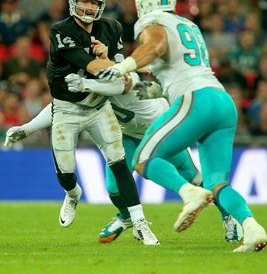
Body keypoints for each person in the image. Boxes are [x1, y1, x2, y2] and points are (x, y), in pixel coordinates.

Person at [97, 0, 267, 253]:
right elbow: (178, 70)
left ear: (144, 1)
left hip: (196, 100)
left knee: (143, 157)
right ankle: (250, 226)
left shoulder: (153, 23)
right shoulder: (188, 24)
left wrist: (122, 67)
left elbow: (155, 47)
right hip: (222, 101)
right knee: (217, 183)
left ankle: (189, 193)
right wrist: (154, 90)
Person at [5, 68, 243, 244]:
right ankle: (127, 217)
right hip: (128, 137)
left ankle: (228, 217)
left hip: (160, 132)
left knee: (195, 179)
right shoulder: (94, 84)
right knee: (113, 187)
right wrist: (27, 128)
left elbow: (143, 85)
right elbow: (62, 108)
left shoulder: (124, 80)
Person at [13, 0, 159, 245]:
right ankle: (73, 195)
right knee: (66, 173)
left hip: (98, 107)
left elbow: (117, 74)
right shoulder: (60, 30)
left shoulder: (112, 27)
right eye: (84, 1)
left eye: (94, 2)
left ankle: (139, 222)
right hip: (67, 109)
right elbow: (87, 64)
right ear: (73, 2)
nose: (89, 7)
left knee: (118, 163)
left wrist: (111, 63)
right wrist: (107, 63)